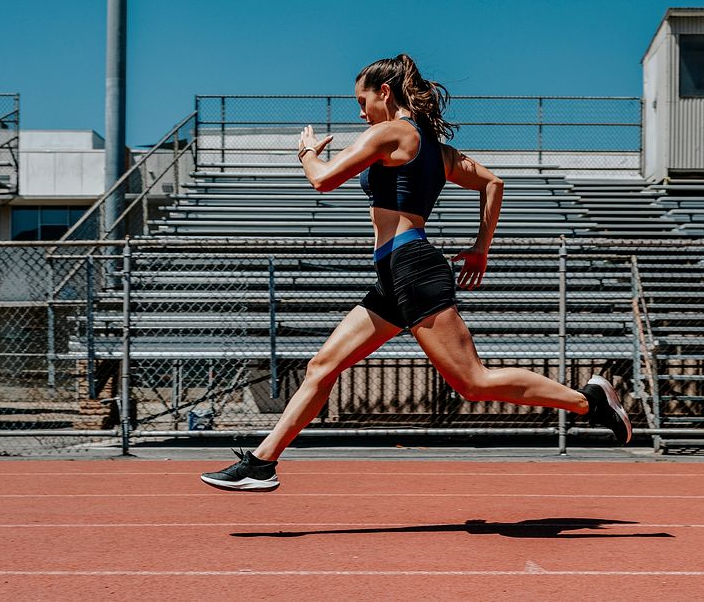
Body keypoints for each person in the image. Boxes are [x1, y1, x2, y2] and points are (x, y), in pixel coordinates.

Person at [201, 54, 631, 491]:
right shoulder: (436, 149)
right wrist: (480, 248)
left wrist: (307, 153)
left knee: (473, 382)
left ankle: (590, 401)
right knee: (322, 366)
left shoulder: (389, 132)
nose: (360, 110)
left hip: (412, 267)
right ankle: (261, 463)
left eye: (362, 99)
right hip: (393, 274)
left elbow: (323, 180)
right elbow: (492, 183)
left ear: (384, 93)